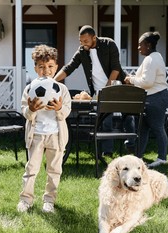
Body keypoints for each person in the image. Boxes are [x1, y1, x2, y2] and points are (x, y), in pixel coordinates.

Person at [54, 25, 134, 156]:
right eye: (81, 41)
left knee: (128, 116)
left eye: (86, 41)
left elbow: (116, 68)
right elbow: (69, 67)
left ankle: (132, 146)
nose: (83, 44)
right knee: (105, 121)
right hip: (98, 92)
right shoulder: (82, 51)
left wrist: (108, 88)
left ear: (94, 38)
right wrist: (53, 81)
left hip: (117, 86)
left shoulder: (109, 44)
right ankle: (107, 152)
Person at [17, 45, 72, 213]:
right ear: (35, 69)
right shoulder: (30, 89)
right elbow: (25, 111)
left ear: (56, 67)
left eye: (50, 66)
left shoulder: (61, 89)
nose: (46, 70)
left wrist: (59, 108)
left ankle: (49, 200)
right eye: (41, 67)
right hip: (36, 136)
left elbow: (66, 111)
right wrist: (32, 109)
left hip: (56, 135)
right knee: (31, 168)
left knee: (54, 170)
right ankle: (26, 200)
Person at [124, 31, 168, 168]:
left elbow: (147, 82)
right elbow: (146, 78)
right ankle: (138, 158)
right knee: (142, 129)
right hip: (152, 97)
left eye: (141, 45)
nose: (138, 48)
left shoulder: (151, 59)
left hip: (156, 97)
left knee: (157, 127)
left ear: (149, 45)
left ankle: (162, 158)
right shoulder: (154, 57)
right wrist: (133, 78)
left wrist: (131, 79)